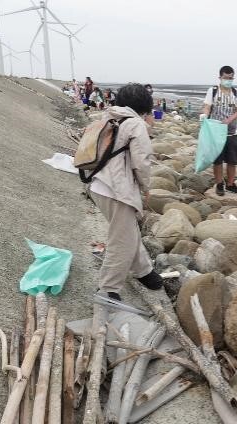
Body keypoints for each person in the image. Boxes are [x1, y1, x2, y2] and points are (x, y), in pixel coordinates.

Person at [88, 83, 163, 301]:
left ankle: (144, 272)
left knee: (128, 232)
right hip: (117, 190)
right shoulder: (136, 124)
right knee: (122, 241)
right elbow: (142, 161)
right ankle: (108, 290)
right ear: (145, 106)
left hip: (98, 185)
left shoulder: (109, 117)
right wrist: (145, 187)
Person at [200, 65, 237, 196]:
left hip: (232, 132)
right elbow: (207, 106)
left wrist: (229, 120)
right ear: (220, 77)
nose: (228, 80)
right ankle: (219, 183)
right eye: (226, 78)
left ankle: (230, 184)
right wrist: (204, 116)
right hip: (215, 131)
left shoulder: (236, 92)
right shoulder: (213, 91)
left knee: (232, 160)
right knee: (218, 160)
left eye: (231, 78)